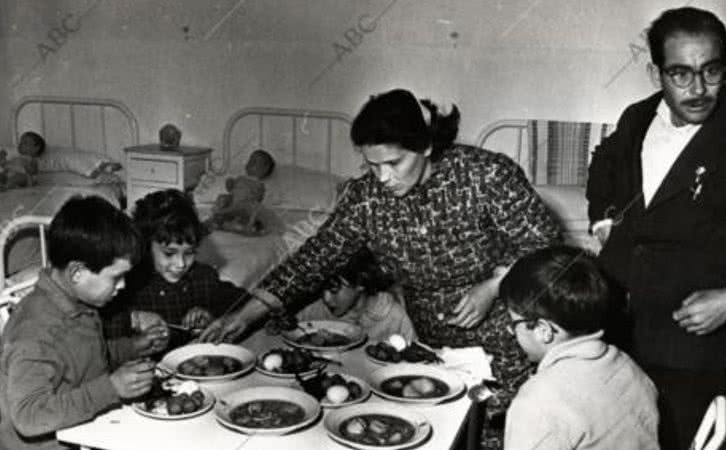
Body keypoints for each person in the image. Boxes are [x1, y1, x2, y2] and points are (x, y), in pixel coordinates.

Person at [201, 88, 562, 449]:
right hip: (433, 348)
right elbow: (313, 258)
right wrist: (244, 315)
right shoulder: (367, 197)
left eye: (393, 163)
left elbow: (547, 244)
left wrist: (494, 285)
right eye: (373, 165)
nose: (383, 177)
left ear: (425, 147)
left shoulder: (485, 175)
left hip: (506, 339)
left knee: (499, 438)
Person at [586, 7, 726, 449]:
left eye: (710, 71)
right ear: (654, 71)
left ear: (725, 68)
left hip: (698, 351)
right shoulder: (637, 117)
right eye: (679, 73)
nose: (698, 89)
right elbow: (604, 165)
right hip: (619, 331)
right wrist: (604, 218)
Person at [0, 196, 164, 450]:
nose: (123, 286)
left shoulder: (80, 303)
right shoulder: (35, 333)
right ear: (77, 273)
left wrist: (133, 347)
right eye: (116, 277)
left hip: (88, 432)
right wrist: (110, 389)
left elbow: (86, 357)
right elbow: (29, 417)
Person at [500, 245, 659, 449]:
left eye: (514, 324)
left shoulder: (536, 403)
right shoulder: (625, 364)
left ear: (543, 330)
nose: (511, 332)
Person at [101, 189, 253, 350]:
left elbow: (245, 303)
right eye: (169, 253)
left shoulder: (203, 277)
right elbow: (97, 327)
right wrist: (134, 319)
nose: (181, 264)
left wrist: (211, 315)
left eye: (189, 253)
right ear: (146, 246)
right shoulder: (128, 283)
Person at [289, 247, 417, 342]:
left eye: (334, 290)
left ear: (359, 283)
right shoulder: (317, 310)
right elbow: (291, 334)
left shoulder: (394, 316)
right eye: (322, 288)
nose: (326, 298)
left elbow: (414, 362)